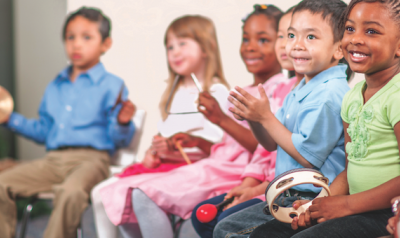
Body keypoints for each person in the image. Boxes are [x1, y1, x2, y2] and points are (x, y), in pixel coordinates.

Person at [96, 7, 291, 237]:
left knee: (142, 194)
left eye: (264, 39)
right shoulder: (241, 91)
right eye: (246, 38)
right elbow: (226, 150)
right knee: (131, 193)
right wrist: (196, 140)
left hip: (231, 172)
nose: (249, 46)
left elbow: (266, 147)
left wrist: (220, 120)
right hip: (217, 164)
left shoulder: (281, 91)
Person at [248, 0, 400, 237]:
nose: (355, 39)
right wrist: (318, 203)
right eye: (350, 29)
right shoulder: (352, 99)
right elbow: (351, 168)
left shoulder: (397, 95)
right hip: (355, 205)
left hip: (387, 211)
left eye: (371, 31)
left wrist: (347, 205)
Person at [215, 0, 350, 237]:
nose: (297, 45)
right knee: (226, 226)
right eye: (291, 35)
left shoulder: (328, 94)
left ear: (338, 49)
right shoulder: (301, 87)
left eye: (311, 37)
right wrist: (254, 119)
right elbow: (270, 143)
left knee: (232, 230)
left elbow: (307, 156)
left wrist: (265, 117)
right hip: (288, 194)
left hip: (311, 197)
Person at [0, 7, 136, 238]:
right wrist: (9, 118)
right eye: (70, 37)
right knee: (2, 182)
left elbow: (118, 139)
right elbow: (44, 132)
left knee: (71, 192)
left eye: (86, 37)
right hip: (53, 160)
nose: (76, 44)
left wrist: (123, 123)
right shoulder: (55, 86)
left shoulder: (112, 85)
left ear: (105, 44)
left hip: (91, 160)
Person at [90, 15, 230, 238]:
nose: (174, 51)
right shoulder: (173, 95)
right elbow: (164, 135)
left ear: (206, 47)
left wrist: (180, 147)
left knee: (124, 194)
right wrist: (153, 151)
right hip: (163, 166)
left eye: (182, 43)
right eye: (170, 46)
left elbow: (220, 147)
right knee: (103, 192)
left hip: (191, 170)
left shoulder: (217, 93)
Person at [191, 5, 304, 238]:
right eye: (283, 36)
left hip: (287, 190)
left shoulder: (316, 95)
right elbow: (266, 152)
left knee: (224, 223)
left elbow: (302, 162)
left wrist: (256, 188)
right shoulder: (282, 90)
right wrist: (248, 185)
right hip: (269, 185)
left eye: (292, 36)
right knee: (203, 218)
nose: (284, 44)